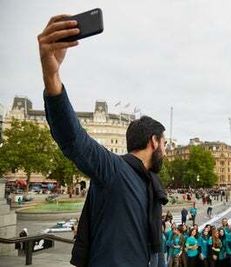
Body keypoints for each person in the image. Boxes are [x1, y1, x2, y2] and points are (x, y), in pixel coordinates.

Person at [38, 15, 168, 267]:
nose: (165, 148)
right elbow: (73, 138)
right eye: (165, 143)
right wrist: (51, 76)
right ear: (154, 141)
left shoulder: (151, 184)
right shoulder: (114, 170)